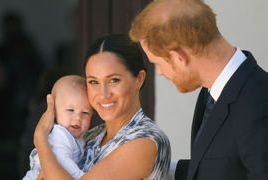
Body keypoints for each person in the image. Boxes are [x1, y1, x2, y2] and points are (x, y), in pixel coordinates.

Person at [129, 0, 268, 180]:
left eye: (157, 63)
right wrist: (153, 169)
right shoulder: (213, 90)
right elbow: (221, 167)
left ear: (179, 57)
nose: (160, 72)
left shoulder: (262, 110)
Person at [33, 34, 171, 179]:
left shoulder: (145, 141)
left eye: (113, 80)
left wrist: (40, 138)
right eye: (93, 82)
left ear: (139, 79)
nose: (103, 94)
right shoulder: (90, 136)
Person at [23, 75, 93, 179]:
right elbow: (62, 161)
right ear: (54, 111)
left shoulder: (79, 137)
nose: (78, 118)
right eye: (70, 110)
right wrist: (81, 177)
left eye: (85, 113)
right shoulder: (60, 134)